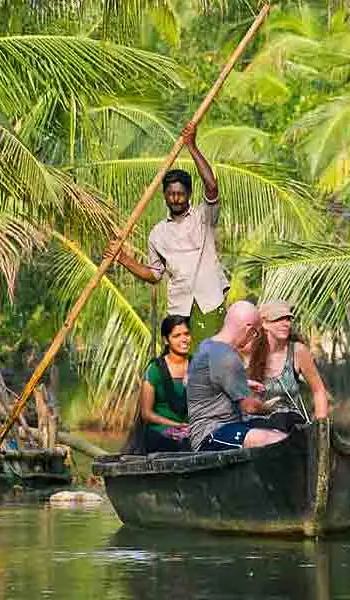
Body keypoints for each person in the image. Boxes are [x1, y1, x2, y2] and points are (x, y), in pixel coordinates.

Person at [111, 123, 228, 341]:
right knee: (180, 360)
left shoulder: (204, 217)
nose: (176, 199)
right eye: (171, 194)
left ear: (189, 194)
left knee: (211, 357)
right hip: (179, 310)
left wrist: (191, 146)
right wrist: (123, 259)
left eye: (180, 194)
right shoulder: (158, 234)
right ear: (164, 195)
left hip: (210, 303)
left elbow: (212, 187)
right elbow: (154, 275)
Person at [187, 301, 288, 451]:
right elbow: (250, 407)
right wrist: (268, 406)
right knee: (279, 440)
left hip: (211, 428)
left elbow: (212, 380)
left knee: (279, 431)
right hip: (211, 432)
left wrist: (244, 383)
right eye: (255, 333)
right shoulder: (228, 356)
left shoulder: (207, 345)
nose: (253, 339)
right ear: (248, 329)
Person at [245, 301, 330, 432]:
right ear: (264, 323)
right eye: (279, 319)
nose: (286, 324)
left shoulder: (298, 351)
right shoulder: (248, 352)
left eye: (288, 319)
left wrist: (321, 427)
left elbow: (318, 390)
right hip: (256, 426)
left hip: (289, 426)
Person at [136, 315, 193, 452]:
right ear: (166, 340)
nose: (184, 339)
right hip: (161, 430)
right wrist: (176, 425)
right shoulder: (155, 369)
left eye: (186, 334)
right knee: (181, 444)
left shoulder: (198, 365)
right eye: (177, 336)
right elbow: (146, 413)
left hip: (192, 428)